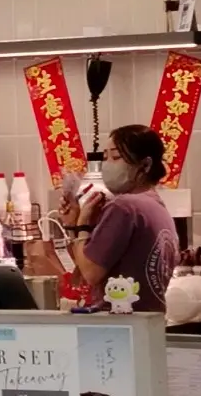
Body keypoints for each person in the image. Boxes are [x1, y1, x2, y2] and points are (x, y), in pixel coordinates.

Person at [60, 124, 179, 312]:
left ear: (145, 165)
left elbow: (90, 273)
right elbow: (85, 267)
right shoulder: (156, 206)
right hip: (150, 320)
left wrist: (82, 224)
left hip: (121, 323)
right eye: (105, 158)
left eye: (116, 157)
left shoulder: (124, 207)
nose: (107, 165)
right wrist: (73, 225)